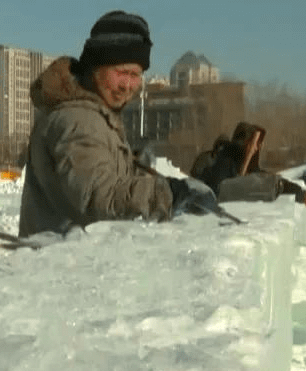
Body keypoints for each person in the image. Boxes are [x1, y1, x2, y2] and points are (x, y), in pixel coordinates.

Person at [18, 11, 218, 238]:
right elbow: (99, 196)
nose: (128, 85)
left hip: (73, 262)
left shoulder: (96, 116)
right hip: (61, 265)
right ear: (95, 67)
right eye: (122, 72)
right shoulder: (78, 121)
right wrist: (169, 194)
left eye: (136, 74)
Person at [191, 122, 306, 205]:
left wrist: (298, 191)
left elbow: (268, 179)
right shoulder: (225, 159)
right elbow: (216, 190)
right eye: (255, 144)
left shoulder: (242, 163)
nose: (257, 149)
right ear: (245, 143)